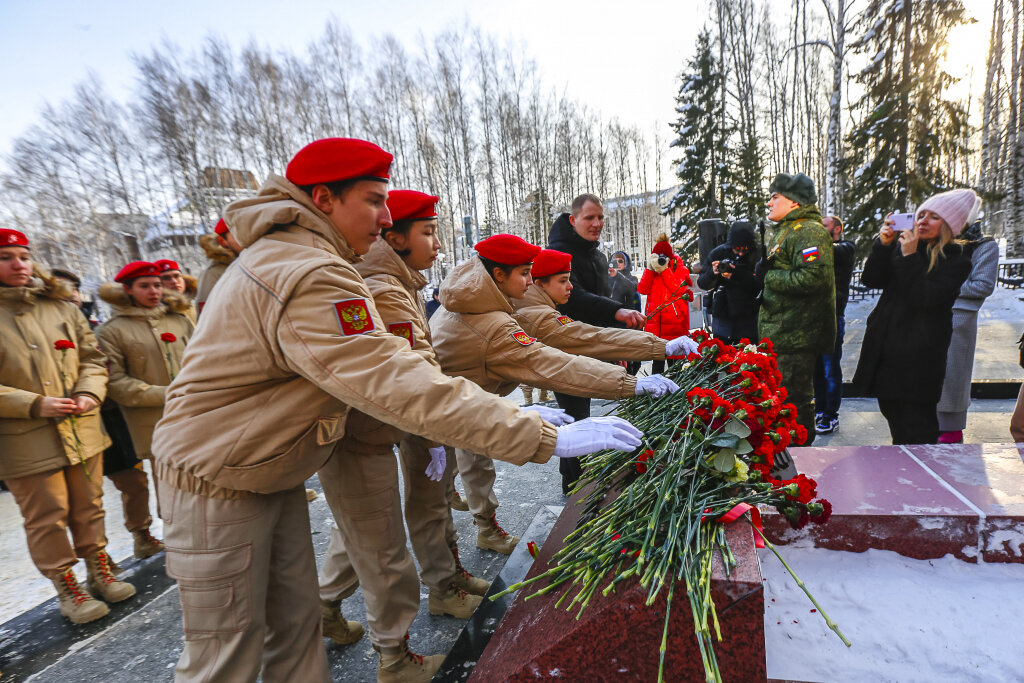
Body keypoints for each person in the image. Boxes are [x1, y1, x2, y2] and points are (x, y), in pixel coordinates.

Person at [149, 138, 642, 683]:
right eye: (374, 200)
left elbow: (414, 372)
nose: (386, 218)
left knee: (292, 636)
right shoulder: (308, 273)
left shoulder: (317, 262)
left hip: (266, 468)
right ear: (324, 199)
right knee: (228, 658)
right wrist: (539, 436)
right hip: (219, 476)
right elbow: (398, 378)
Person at [316, 190, 492, 657]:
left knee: (392, 520)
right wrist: (439, 433)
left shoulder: (402, 281)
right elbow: (411, 375)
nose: (438, 244)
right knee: (379, 538)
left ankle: (437, 582)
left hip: (394, 424)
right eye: (428, 233)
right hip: (375, 430)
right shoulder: (383, 287)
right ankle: (390, 635)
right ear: (394, 238)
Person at [431, 234, 679, 514]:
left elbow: (587, 339)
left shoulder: (479, 296)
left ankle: (480, 522)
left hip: (455, 404)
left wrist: (658, 347)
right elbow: (561, 363)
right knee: (434, 502)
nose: (529, 278)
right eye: (525, 273)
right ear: (499, 275)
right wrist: (633, 382)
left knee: (466, 466)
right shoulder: (516, 316)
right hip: (438, 411)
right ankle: (467, 526)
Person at [0, 229, 134, 624]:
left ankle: (98, 570)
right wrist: (34, 404)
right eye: (6, 256)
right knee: (47, 515)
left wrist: (90, 392)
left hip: (82, 425)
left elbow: (92, 358)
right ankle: (67, 587)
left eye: (23, 255)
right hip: (24, 437)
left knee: (89, 505)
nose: (18, 264)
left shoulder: (60, 306)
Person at [852, 189, 975, 445]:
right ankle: (902, 477)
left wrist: (908, 257)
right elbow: (872, 279)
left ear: (950, 225)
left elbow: (925, 298)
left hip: (919, 360)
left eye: (933, 217)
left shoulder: (957, 260)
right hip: (888, 353)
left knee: (919, 431)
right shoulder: (907, 247)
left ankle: (922, 481)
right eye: (921, 215)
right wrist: (884, 245)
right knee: (895, 421)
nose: (923, 221)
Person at [95, 261, 193, 559]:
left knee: (206, 478)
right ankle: (182, 544)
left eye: (156, 285)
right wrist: (167, 394)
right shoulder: (112, 331)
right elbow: (115, 382)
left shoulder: (179, 320)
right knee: (170, 484)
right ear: (127, 290)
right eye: (144, 286)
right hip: (152, 420)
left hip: (197, 413)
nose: (154, 291)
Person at [546, 195, 647, 473]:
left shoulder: (599, 257)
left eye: (600, 217)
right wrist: (618, 312)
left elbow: (601, 304)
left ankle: (585, 487)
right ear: (573, 220)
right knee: (575, 422)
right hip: (564, 350)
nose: (597, 223)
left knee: (589, 422)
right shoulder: (556, 255)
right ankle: (573, 490)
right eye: (589, 217)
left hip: (594, 345)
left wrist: (616, 349)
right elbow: (574, 298)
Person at [515, 248, 699, 370]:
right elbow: (589, 338)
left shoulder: (546, 306)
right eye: (564, 281)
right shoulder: (538, 316)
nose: (571, 286)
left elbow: (592, 336)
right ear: (540, 284)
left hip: (653, 331)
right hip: (647, 333)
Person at [755, 173, 836, 447]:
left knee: (793, 401)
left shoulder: (809, 231)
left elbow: (814, 277)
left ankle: (798, 456)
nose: (769, 203)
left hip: (796, 335)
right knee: (781, 399)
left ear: (794, 201)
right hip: (782, 332)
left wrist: (769, 277)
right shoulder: (788, 231)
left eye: (775, 196)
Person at [935, 214, 999, 443]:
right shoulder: (935, 241)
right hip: (929, 316)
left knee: (952, 381)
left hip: (959, 319)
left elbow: (983, 285)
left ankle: (950, 435)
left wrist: (941, 286)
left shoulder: (984, 245)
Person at [813, 215, 856, 435]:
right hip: (813, 317)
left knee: (830, 368)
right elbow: (807, 256)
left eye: (824, 225)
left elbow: (832, 251)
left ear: (837, 229)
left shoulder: (845, 248)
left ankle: (831, 415)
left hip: (832, 316)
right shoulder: (817, 248)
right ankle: (820, 409)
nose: (819, 228)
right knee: (816, 368)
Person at [696, 221, 760, 345]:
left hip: (749, 318)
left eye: (745, 250)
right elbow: (702, 283)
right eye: (737, 250)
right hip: (722, 316)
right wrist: (712, 273)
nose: (741, 253)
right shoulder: (718, 253)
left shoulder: (757, 254)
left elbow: (761, 284)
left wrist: (736, 274)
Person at [638, 233, 692, 374]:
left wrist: (665, 270)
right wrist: (650, 269)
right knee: (657, 370)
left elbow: (678, 289)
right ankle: (658, 395)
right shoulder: (652, 270)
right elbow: (642, 289)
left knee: (676, 370)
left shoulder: (678, 267)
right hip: (655, 326)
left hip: (675, 326)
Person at [194, 218, 241, 316]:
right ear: (222, 241)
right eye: (237, 234)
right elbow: (207, 316)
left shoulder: (249, 262)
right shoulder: (212, 273)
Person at [154, 259, 198, 324]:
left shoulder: (199, 304)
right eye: (166, 278)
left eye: (176, 276)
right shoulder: (156, 313)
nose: (174, 281)